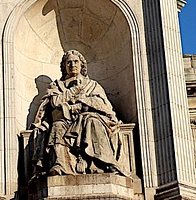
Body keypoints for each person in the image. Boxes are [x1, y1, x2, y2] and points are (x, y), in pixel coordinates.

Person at [30, 49, 128, 177]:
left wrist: (82, 103)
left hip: (89, 118)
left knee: (92, 120)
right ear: (64, 66)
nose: (72, 65)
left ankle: (101, 162)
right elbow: (55, 102)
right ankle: (60, 164)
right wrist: (75, 90)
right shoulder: (56, 85)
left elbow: (104, 106)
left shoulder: (92, 85)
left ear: (82, 65)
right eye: (69, 62)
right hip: (65, 120)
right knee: (57, 126)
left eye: (76, 61)